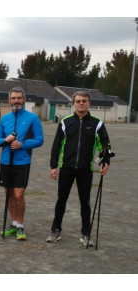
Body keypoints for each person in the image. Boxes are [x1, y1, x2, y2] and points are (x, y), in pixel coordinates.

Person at [46, 91, 111, 247]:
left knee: (85, 202)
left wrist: (106, 161)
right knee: (61, 199)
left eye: (84, 101)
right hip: (67, 168)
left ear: (89, 103)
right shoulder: (65, 122)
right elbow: (56, 145)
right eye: (78, 101)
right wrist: (54, 166)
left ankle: (86, 233)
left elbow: (105, 144)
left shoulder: (97, 123)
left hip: (85, 169)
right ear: (73, 103)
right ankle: (55, 230)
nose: (81, 103)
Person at [0, 87, 44, 240]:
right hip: (6, 161)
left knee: (19, 194)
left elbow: (40, 140)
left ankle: (21, 226)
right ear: (9, 100)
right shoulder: (4, 119)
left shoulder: (32, 118)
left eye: (19, 98)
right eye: (13, 98)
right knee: (8, 194)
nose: (16, 101)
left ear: (24, 99)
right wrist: (5, 140)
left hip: (22, 161)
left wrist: (21, 145)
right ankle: (14, 223)